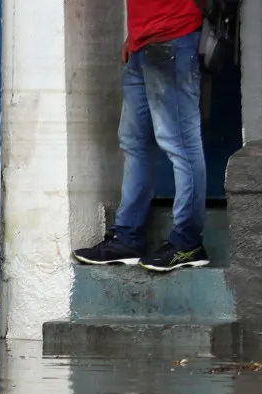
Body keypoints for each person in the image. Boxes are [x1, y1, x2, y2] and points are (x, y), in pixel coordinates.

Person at [73, 0, 211, 272]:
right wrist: (134, 37)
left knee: (181, 145)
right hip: (142, 43)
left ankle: (188, 243)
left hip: (174, 36)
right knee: (135, 144)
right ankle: (127, 237)